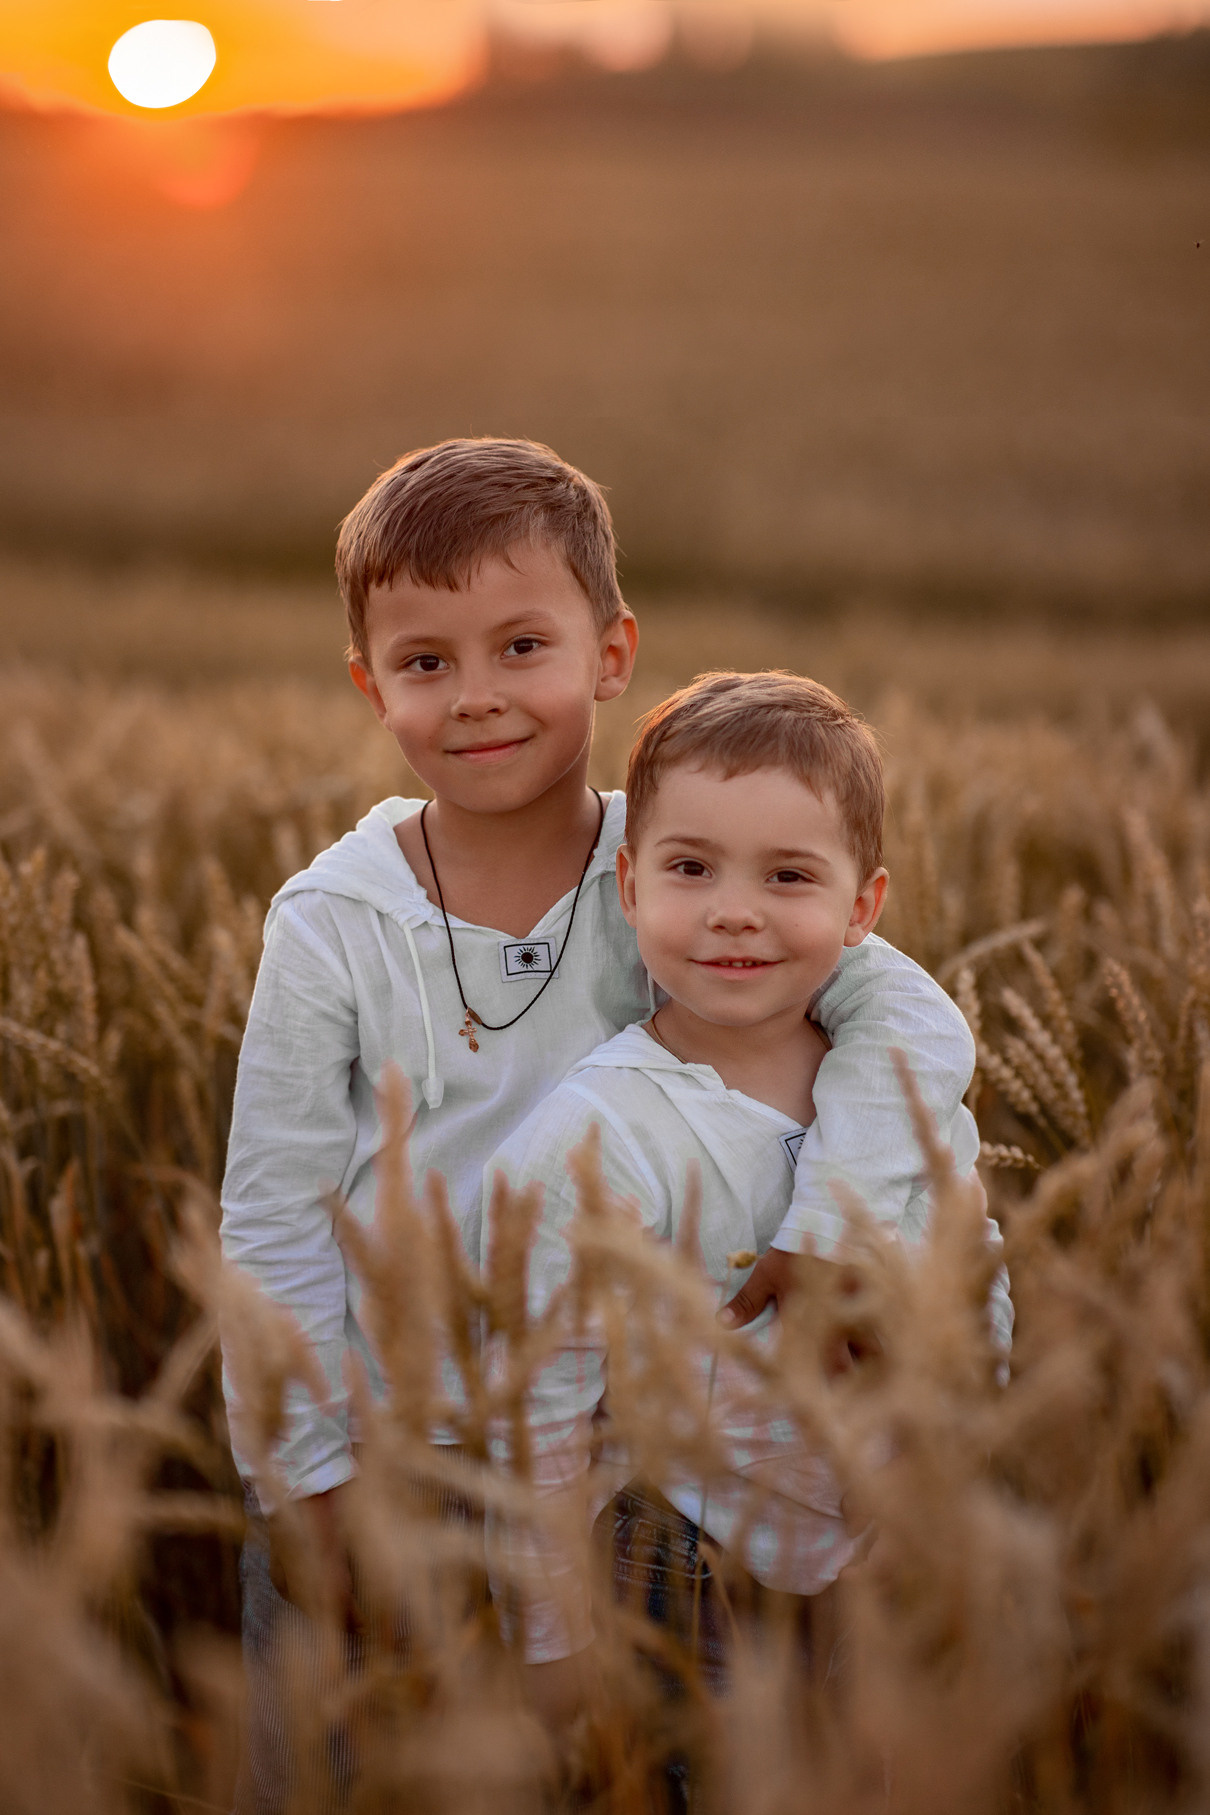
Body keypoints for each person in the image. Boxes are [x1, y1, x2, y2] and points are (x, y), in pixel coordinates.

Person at [219, 438, 982, 1806]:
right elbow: (271, 1214)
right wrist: (306, 1487)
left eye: (523, 644)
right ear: (369, 683)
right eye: (426, 660)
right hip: (383, 1462)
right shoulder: (332, 923)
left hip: (627, 1474)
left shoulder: (690, 858)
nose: (478, 696)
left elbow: (909, 1021)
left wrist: (826, 1230)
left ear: (610, 651)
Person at [482, 670, 1012, 1716]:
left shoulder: (889, 1090)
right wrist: (548, 1634)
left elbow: (969, 1256)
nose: (733, 913)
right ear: (628, 889)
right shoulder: (596, 1138)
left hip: (893, 1544)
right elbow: (536, 1400)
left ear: (862, 907)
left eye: (786, 877)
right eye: (690, 867)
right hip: (692, 1554)